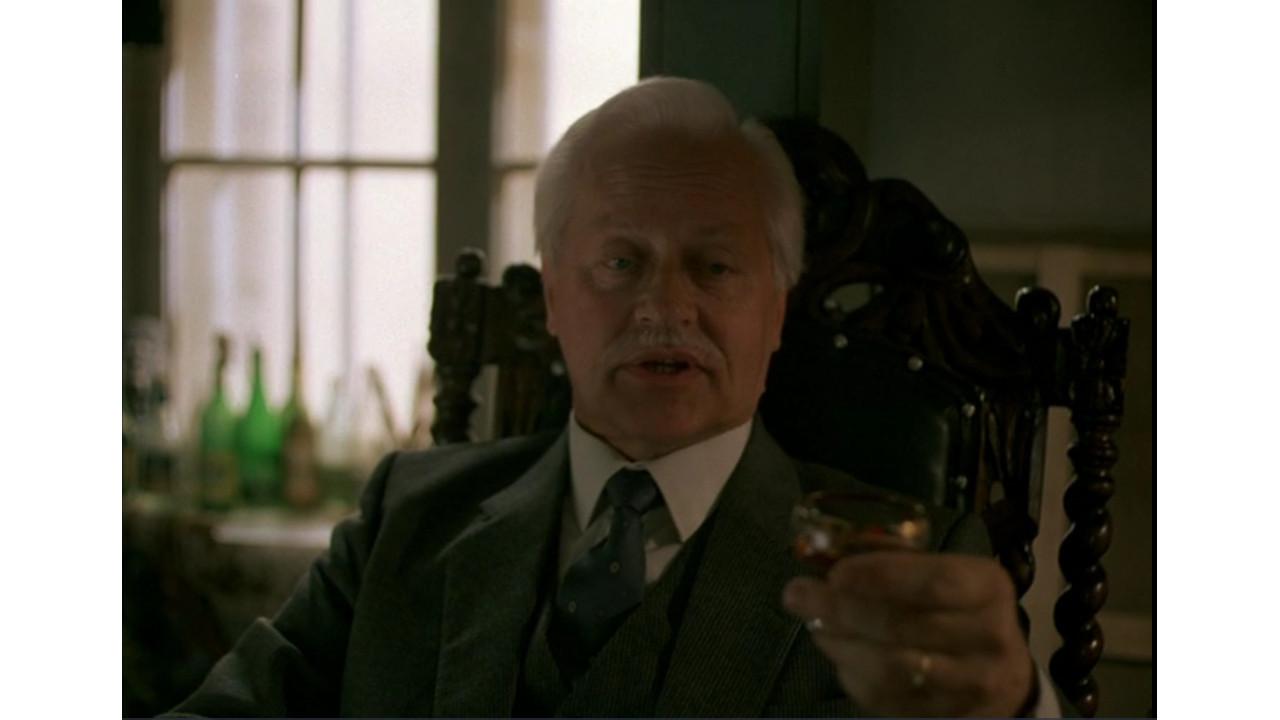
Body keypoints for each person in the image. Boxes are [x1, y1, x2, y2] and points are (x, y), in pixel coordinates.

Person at [171, 77, 1057, 718]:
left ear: (778, 309)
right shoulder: (407, 518)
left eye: (714, 266)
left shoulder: (898, 567)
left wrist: (1017, 709)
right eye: (620, 262)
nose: (664, 308)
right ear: (554, 297)